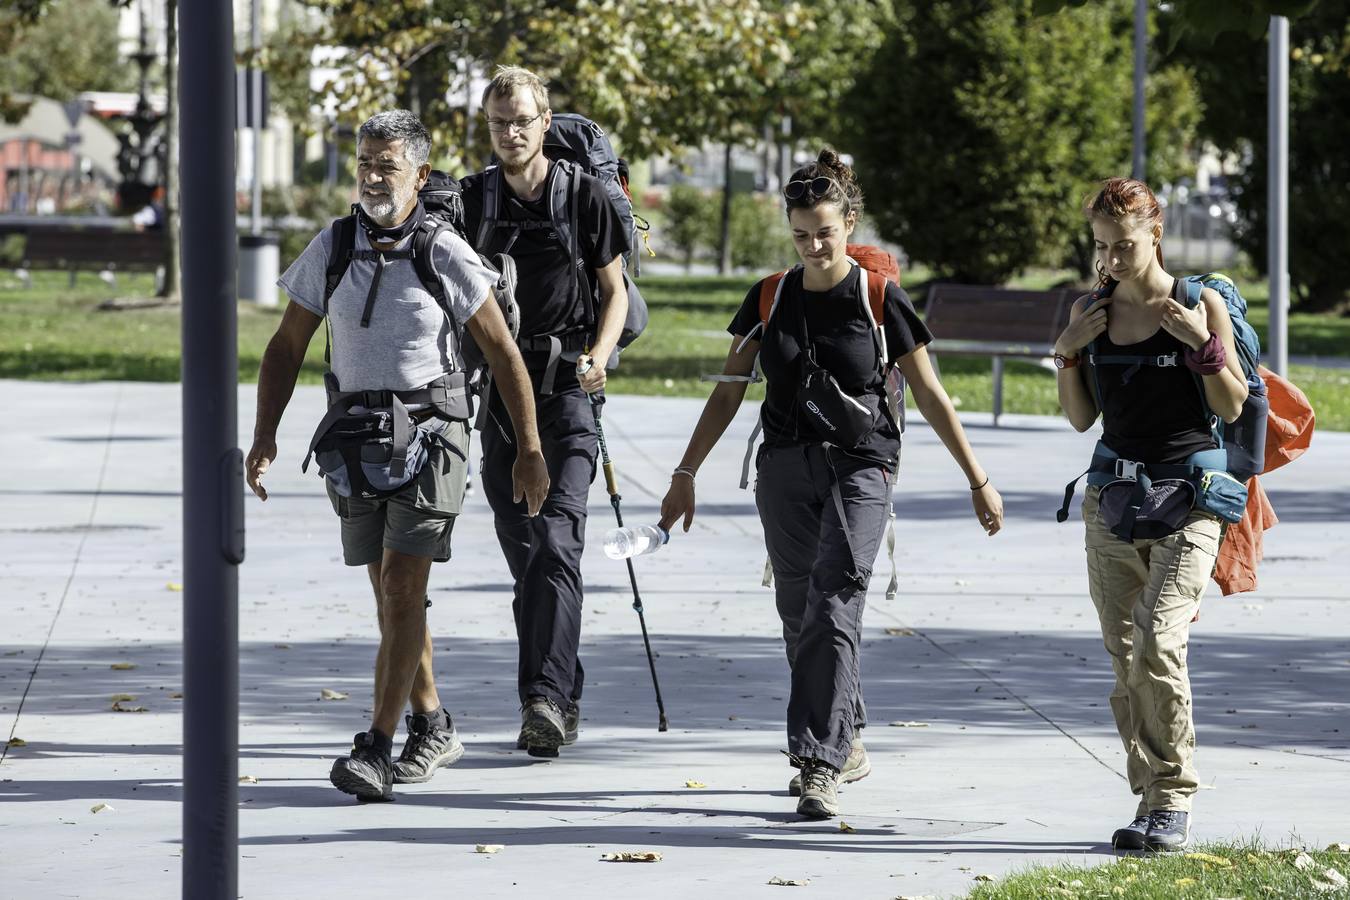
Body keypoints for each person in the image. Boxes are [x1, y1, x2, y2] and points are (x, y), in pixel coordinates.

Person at [659, 149, 1004, 819]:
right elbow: (729, 394)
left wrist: (977, 479)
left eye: (825, 231)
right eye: (801, 234)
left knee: (834, 604)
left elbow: (930, 393)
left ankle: (818, 762)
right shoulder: (771, 295)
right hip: (784, 467)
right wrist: (684, 473)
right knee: (799, 614)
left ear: (849, 222)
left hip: (861, 465)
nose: (815, 246)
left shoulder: (879, 298)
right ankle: (845, 737)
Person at [245, 110, 550, 801]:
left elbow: (502, 352)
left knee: (403, 586)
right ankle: (433, 722)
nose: (374, 177)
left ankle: (376, 748)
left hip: (433, 434)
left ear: (419, 172)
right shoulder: (334, 243)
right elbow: (286, 346)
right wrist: (265, 434)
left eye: (388, 166)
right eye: (365, 165)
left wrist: (529, 450)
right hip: (354, 438)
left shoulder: (442, 249)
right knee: (391, 596)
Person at [1053, 177, 1248, 851]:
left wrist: (1203, 345)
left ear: (1155, 235)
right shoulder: (1093, 310)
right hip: (1112, 499)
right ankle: (1149, 799)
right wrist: (1067, 351)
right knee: (1125, 656)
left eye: (1124, 246)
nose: (1111, 260)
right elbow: (1082, 419)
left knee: (1159, 643)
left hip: (1191, 498)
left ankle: (1173, 799)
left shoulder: (1200, 304)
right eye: (1102, 247)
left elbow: (1231, 407)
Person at [459, 66, 631, 758]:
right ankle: (562, 687)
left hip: (567, 389)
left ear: (546, 121)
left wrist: (602, 352)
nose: (511, 132)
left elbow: (613, 291)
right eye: (499, 122)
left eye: (522, 120)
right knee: (527, 555)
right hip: (500, 394)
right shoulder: (471, 201)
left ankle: (544, 702)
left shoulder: (584, 198)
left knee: (557, 540)